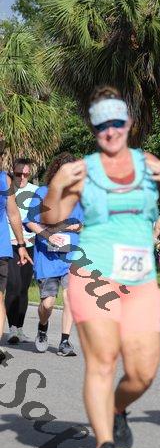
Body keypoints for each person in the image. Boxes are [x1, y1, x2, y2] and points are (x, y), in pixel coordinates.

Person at [42, 86, 160, 448]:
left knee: (142, 373)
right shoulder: (82, 171)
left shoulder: (150, 165)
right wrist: (58, 185)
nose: (109, 131)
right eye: (101, 124)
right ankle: (105, 445)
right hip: (93, 275)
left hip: (140, 282)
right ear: (94, 129)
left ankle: (115, 409)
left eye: (116, 122)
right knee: (103, 360)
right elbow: (50, 216)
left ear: (128, 123)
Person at [25, 153, 84, 356]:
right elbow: (30, 221)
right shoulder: (43, 192)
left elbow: (84, 223)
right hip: (47, 256)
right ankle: (42, 327)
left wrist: (79, 226)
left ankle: (64, 341)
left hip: (71, 254)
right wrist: (48, 234)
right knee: (48, 303)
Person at [0, 158, 33, 362]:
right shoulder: (4, 181)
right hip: (4, 246)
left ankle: (15, 330)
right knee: (2, 295)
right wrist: (20, 244)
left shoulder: (6, 179)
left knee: (18, 289)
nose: (22, 177)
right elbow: (12, 214)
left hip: (8, 247)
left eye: (25, 174)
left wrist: (22, 244)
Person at [6, 158, 36, 344]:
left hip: (30, 244)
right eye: (18, 174)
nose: (22, 178)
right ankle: (11, 329)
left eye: (26, 174)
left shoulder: (36, 191)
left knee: (24, 288)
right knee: (13, 285)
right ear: (12, 173)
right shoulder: (7, 190)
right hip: (10, 244)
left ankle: (20, 328)